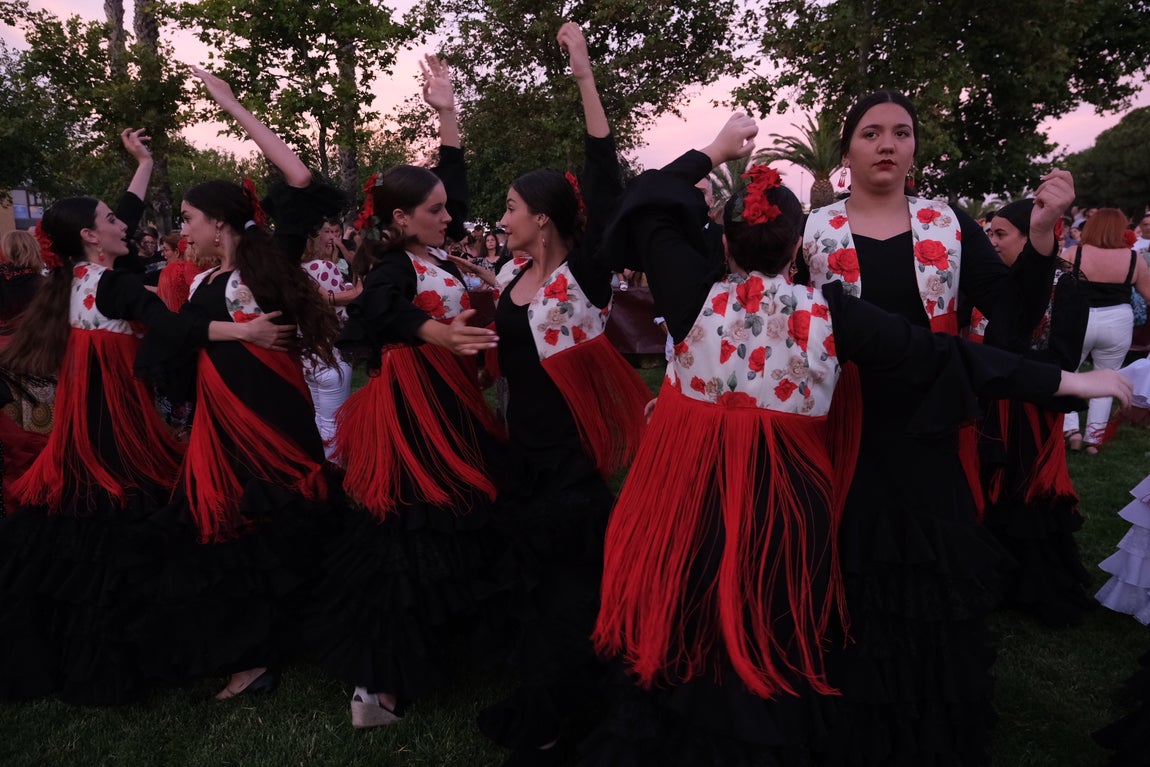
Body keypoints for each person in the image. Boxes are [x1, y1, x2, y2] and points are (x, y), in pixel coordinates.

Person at [587, 113, 1134, 766]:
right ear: (799, 249)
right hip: (783, 516)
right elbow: (949, 358)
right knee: (770, 630)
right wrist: (1070, 384)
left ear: (724, 242)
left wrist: (715, 150)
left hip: (687, 505)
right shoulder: (831, 313)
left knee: (685, 614)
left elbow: (644, 197)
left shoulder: (689, 292)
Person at [800, 89, 1073, 765]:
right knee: (849, 561)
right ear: (848, 150)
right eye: (871, 133)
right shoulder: (816, 231)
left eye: (900, 132)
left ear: (916, 147)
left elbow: (1008, 316)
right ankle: (853, 709)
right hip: (845, 426)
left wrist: (1040, 240)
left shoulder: (946, 222)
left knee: (934, 570)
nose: (887, 143)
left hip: (933, 425)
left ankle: (930, 716)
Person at [0, 127, 291, 705]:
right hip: (119, 426)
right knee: (150, 522)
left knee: (83, 529)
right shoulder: (114, 287)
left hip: (87, 424)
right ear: (90, 236)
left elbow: (123, 219)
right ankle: (203, 648)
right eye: (110, 220)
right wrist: (245, 329)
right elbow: (176, 329)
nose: (124, 223)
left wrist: (144, 164)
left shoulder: (74, 281)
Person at [307, 54, 507, 729]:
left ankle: (444, 648)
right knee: (407, 529)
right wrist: (436, 333)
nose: (449, 216)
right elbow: (376, 315)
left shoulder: (427, 248)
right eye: (436, 211)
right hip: (416, 410)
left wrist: (448, 111)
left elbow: (448, 179)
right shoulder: (393, 265)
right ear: (401, 218)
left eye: (446, 209)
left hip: (449, 400)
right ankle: (379, 685)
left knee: (450, 520)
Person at [475, 22, 652, 764]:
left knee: (568, 599)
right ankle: (539, 701)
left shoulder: (580, 276)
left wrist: (583, 73)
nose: (503, 217)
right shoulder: (510, 281)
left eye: (512, 208)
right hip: (524, 456)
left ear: (542, 217)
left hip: (570, 469)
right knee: (534, 592)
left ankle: (561, 719)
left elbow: (605, 177)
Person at [140, 67, 344, 701]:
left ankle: (279, 648)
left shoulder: (266, 264)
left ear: (224, 223)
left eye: (192, 218)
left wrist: (232, 104)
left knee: (277, 524)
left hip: (272, 418)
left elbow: (300, 181)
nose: (185, 229)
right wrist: (236, 336)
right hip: (223, 427)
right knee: (228, 532)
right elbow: (170, 340)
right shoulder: (199, 283)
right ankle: (253, 655)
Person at [976, 199, 1096, 627]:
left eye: (1001, 234)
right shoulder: (994, 280)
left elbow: (1065, 355)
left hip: (1034, 407)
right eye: (989, 233)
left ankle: (1034, 584)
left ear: (1033, 237)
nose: (991, 242)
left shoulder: (1066, 284)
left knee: (1029, 491)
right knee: (992, 488)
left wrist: (1011, 363)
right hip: (993, 403)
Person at [1062, 208, 1150, 453]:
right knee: (1107, 377)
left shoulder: (1072, 253)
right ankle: (1095, 438)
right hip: (1118, 321)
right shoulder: (1134, 258)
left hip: (1079, 319)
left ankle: (1070, 429)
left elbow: (1054, 282)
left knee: (1069, 372)